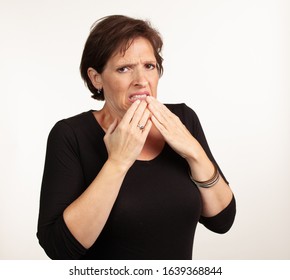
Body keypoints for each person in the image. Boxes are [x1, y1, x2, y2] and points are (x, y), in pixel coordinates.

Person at [37, 15, 236, 260]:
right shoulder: (70, 135)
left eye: (149, 66)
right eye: (124, 68)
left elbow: (222, 220)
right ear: (95, 77)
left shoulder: (182, 119)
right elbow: (58, 249)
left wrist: (193, 151)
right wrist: (118, 162)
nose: (141, 81)